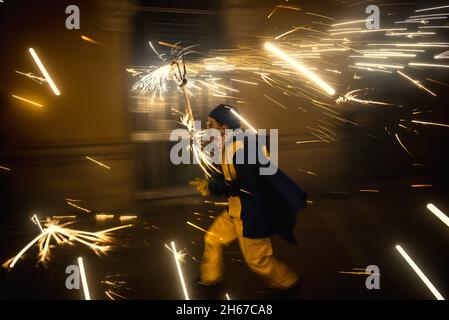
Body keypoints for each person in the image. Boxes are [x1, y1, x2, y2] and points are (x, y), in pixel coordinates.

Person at [191, 104, 307, 295]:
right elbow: (227, 174)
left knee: (258, 261)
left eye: (210, 123)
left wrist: (214, 187)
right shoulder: (230, 144)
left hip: (250, 215)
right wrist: (211, 180)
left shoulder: (241, 148)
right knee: (213, 239)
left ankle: (288, 283)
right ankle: (210, 279)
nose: (207, 127)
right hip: (235, 211)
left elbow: (245, 185)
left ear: (224, 127)